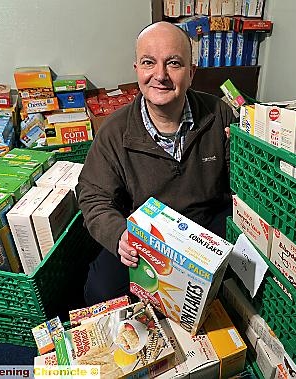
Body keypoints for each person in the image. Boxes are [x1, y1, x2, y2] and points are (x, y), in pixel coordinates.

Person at [77, 21, 236, 306]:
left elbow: (242, 185)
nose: (160, 75)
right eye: (149, 62)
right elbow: (93, 196)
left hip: (206, 227)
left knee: (237, 281)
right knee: (101, 291)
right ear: (137, 68)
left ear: (191, 73)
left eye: (173, 63)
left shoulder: (219, 113)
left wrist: (248, 145)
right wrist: (119, 235)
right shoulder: (114, 131)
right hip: (144, 236)